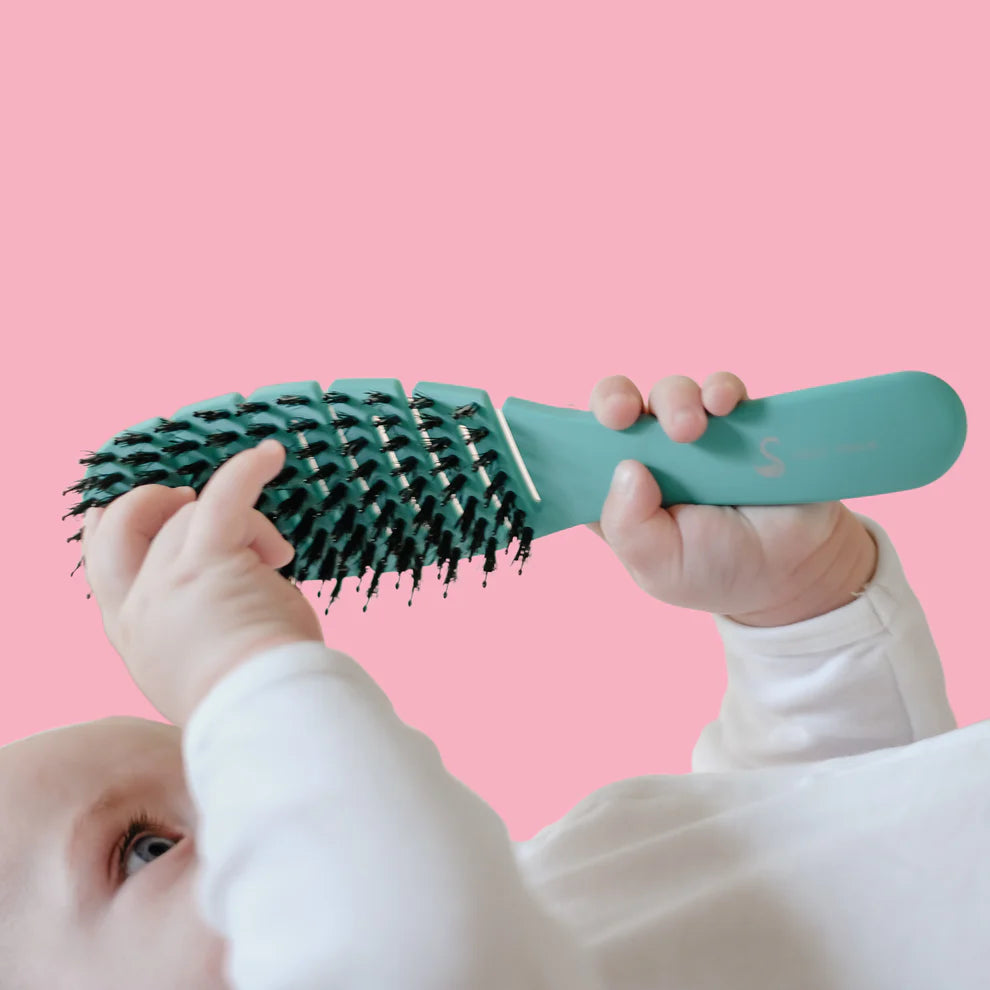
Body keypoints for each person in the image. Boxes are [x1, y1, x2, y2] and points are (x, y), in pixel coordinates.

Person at [1, 372, 985, 988]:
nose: (265, 800)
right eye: (142, 848)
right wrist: (233, 668)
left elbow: (849, 844)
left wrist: (800, 615)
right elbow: (407, 952)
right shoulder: (448, 951)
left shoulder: (557, 897)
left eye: (220, 765)